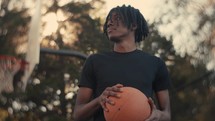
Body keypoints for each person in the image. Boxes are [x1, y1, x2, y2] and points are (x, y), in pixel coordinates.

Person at [73, 5, 171, 121]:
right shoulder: (94, 61)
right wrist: (99, 100)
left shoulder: (156, 64)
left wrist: (158, 115)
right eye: (109, 20)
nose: (110, 23)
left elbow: (167, 114)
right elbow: (78, 114)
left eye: (117, 18)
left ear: (134, 25)